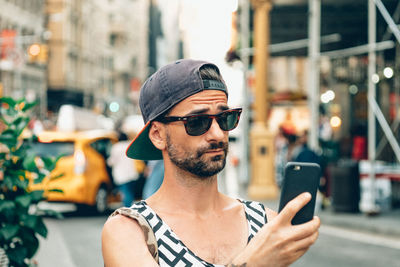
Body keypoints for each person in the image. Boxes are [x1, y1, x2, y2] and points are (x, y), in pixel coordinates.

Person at [102, 59, 320, 266]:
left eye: (225, 118)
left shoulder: (264, 223)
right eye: (197, 122)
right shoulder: (130, 231)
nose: (217, 134)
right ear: (158, 135)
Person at [107, 131, 140, 207]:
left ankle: (128, 208)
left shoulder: (116, 147)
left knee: (125, 193)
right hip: (132, 173)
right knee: (130, 192)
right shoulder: (130, 144)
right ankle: (130, 206)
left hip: (122, 175)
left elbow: (112, 161)